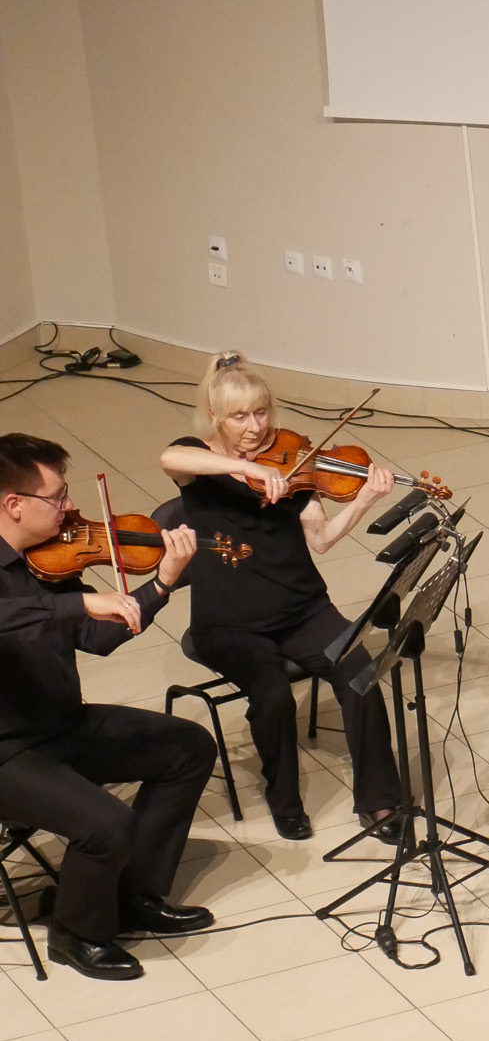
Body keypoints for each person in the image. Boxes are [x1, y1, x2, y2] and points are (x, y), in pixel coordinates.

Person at [159, 353, 403, 842]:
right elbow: (170, 458)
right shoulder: (198, 461)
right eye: (240, 417)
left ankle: (378, 803)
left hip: (301, 610)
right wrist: (242, 467)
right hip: (229, 622)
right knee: (272, 696)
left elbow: (322, 539)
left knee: (360, 675)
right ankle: (284, 800)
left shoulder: (294, 461)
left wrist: (363, 500)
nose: (255, 427)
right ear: (214, 416)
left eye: (262, 412)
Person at [0, 434, 218, 980]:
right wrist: (77, 602)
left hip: (60, 725)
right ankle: (76, 934)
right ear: (14, 504)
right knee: (106, 824)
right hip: (7, 753)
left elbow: (96, 637)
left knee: (187, 748)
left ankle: (132, 895)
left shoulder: (47, 560)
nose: (70, 506)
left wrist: (162, 583)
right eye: (57, 497)